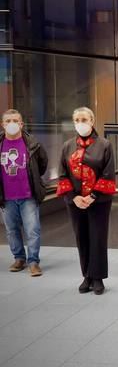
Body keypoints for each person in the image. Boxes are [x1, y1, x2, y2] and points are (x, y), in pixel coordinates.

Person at [57, 107, 116, 295]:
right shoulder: (67, 146)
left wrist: (92, 197)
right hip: (75, 202)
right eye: (77, 120)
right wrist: (74, 197)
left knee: (97, 238)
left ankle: (98, 278)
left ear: (92, 121)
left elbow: (108, 173)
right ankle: (87, 276)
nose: (81, 123)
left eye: (84, 119)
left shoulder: (105, 145)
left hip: (98, 201)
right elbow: (62, 174)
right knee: (81, 237)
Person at [0, 109, 48, 276]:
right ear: (3, 124)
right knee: (11, 230)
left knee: (32, 229)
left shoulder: (32, 144)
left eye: (15, 120)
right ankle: (19, 258)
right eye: (8, 121)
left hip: (28, 195)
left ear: (21, 124)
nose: (11, 124)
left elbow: (43, 163)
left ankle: (33, 261)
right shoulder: (0, 144)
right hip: (6, 196)